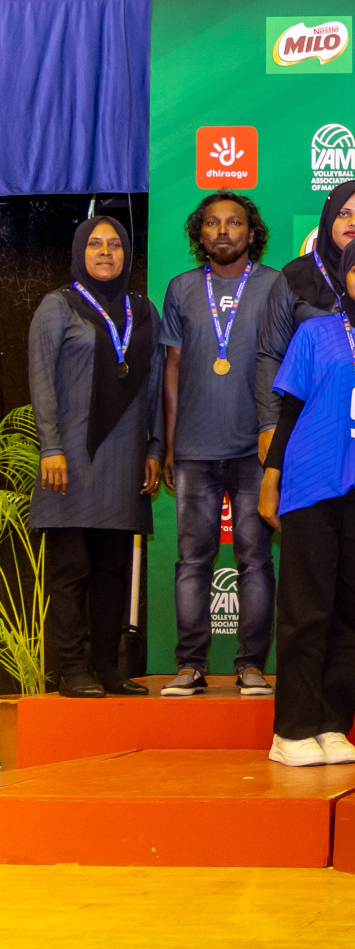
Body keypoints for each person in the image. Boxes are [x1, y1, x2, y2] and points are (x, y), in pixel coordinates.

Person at [257, 236, 355, 767]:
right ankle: (291, 730)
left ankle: (331, 725)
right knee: (307, 610)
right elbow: (289, 411)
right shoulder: (315, 333)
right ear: (342, 277)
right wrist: (271, 477)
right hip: (311, 485)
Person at [30, 216, 164, 698]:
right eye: (95, 244)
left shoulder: (143, 312)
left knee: (113, 572)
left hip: (126, 460)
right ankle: (73, 670)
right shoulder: (57, 306)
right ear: (79, 252)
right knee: (72, 571)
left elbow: (153, 387)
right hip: (68, 462)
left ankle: (109, 668)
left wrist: (155, 447)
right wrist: (52, 447)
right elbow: (41, 383)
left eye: (114, 244)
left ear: (127, 253)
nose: (105, 252)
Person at [160, 193, 280, 696]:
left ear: (251, 232)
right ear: (200, 233)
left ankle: (251, 665)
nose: (224, 230)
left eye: (235, 222)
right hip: (194, 448)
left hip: (255, 449)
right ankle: (190, 666)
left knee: (255, 559)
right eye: (213, 223)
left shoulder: (275, 285)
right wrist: (168, 444)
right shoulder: (182, 288)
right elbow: (171, 369)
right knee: (193, 560)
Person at [255, 180, 355, 464]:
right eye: (343, 213)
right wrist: (269, 425)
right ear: (328, 220)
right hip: (306, 424)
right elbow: (271, 355)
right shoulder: (294, 276)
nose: (354, 222)